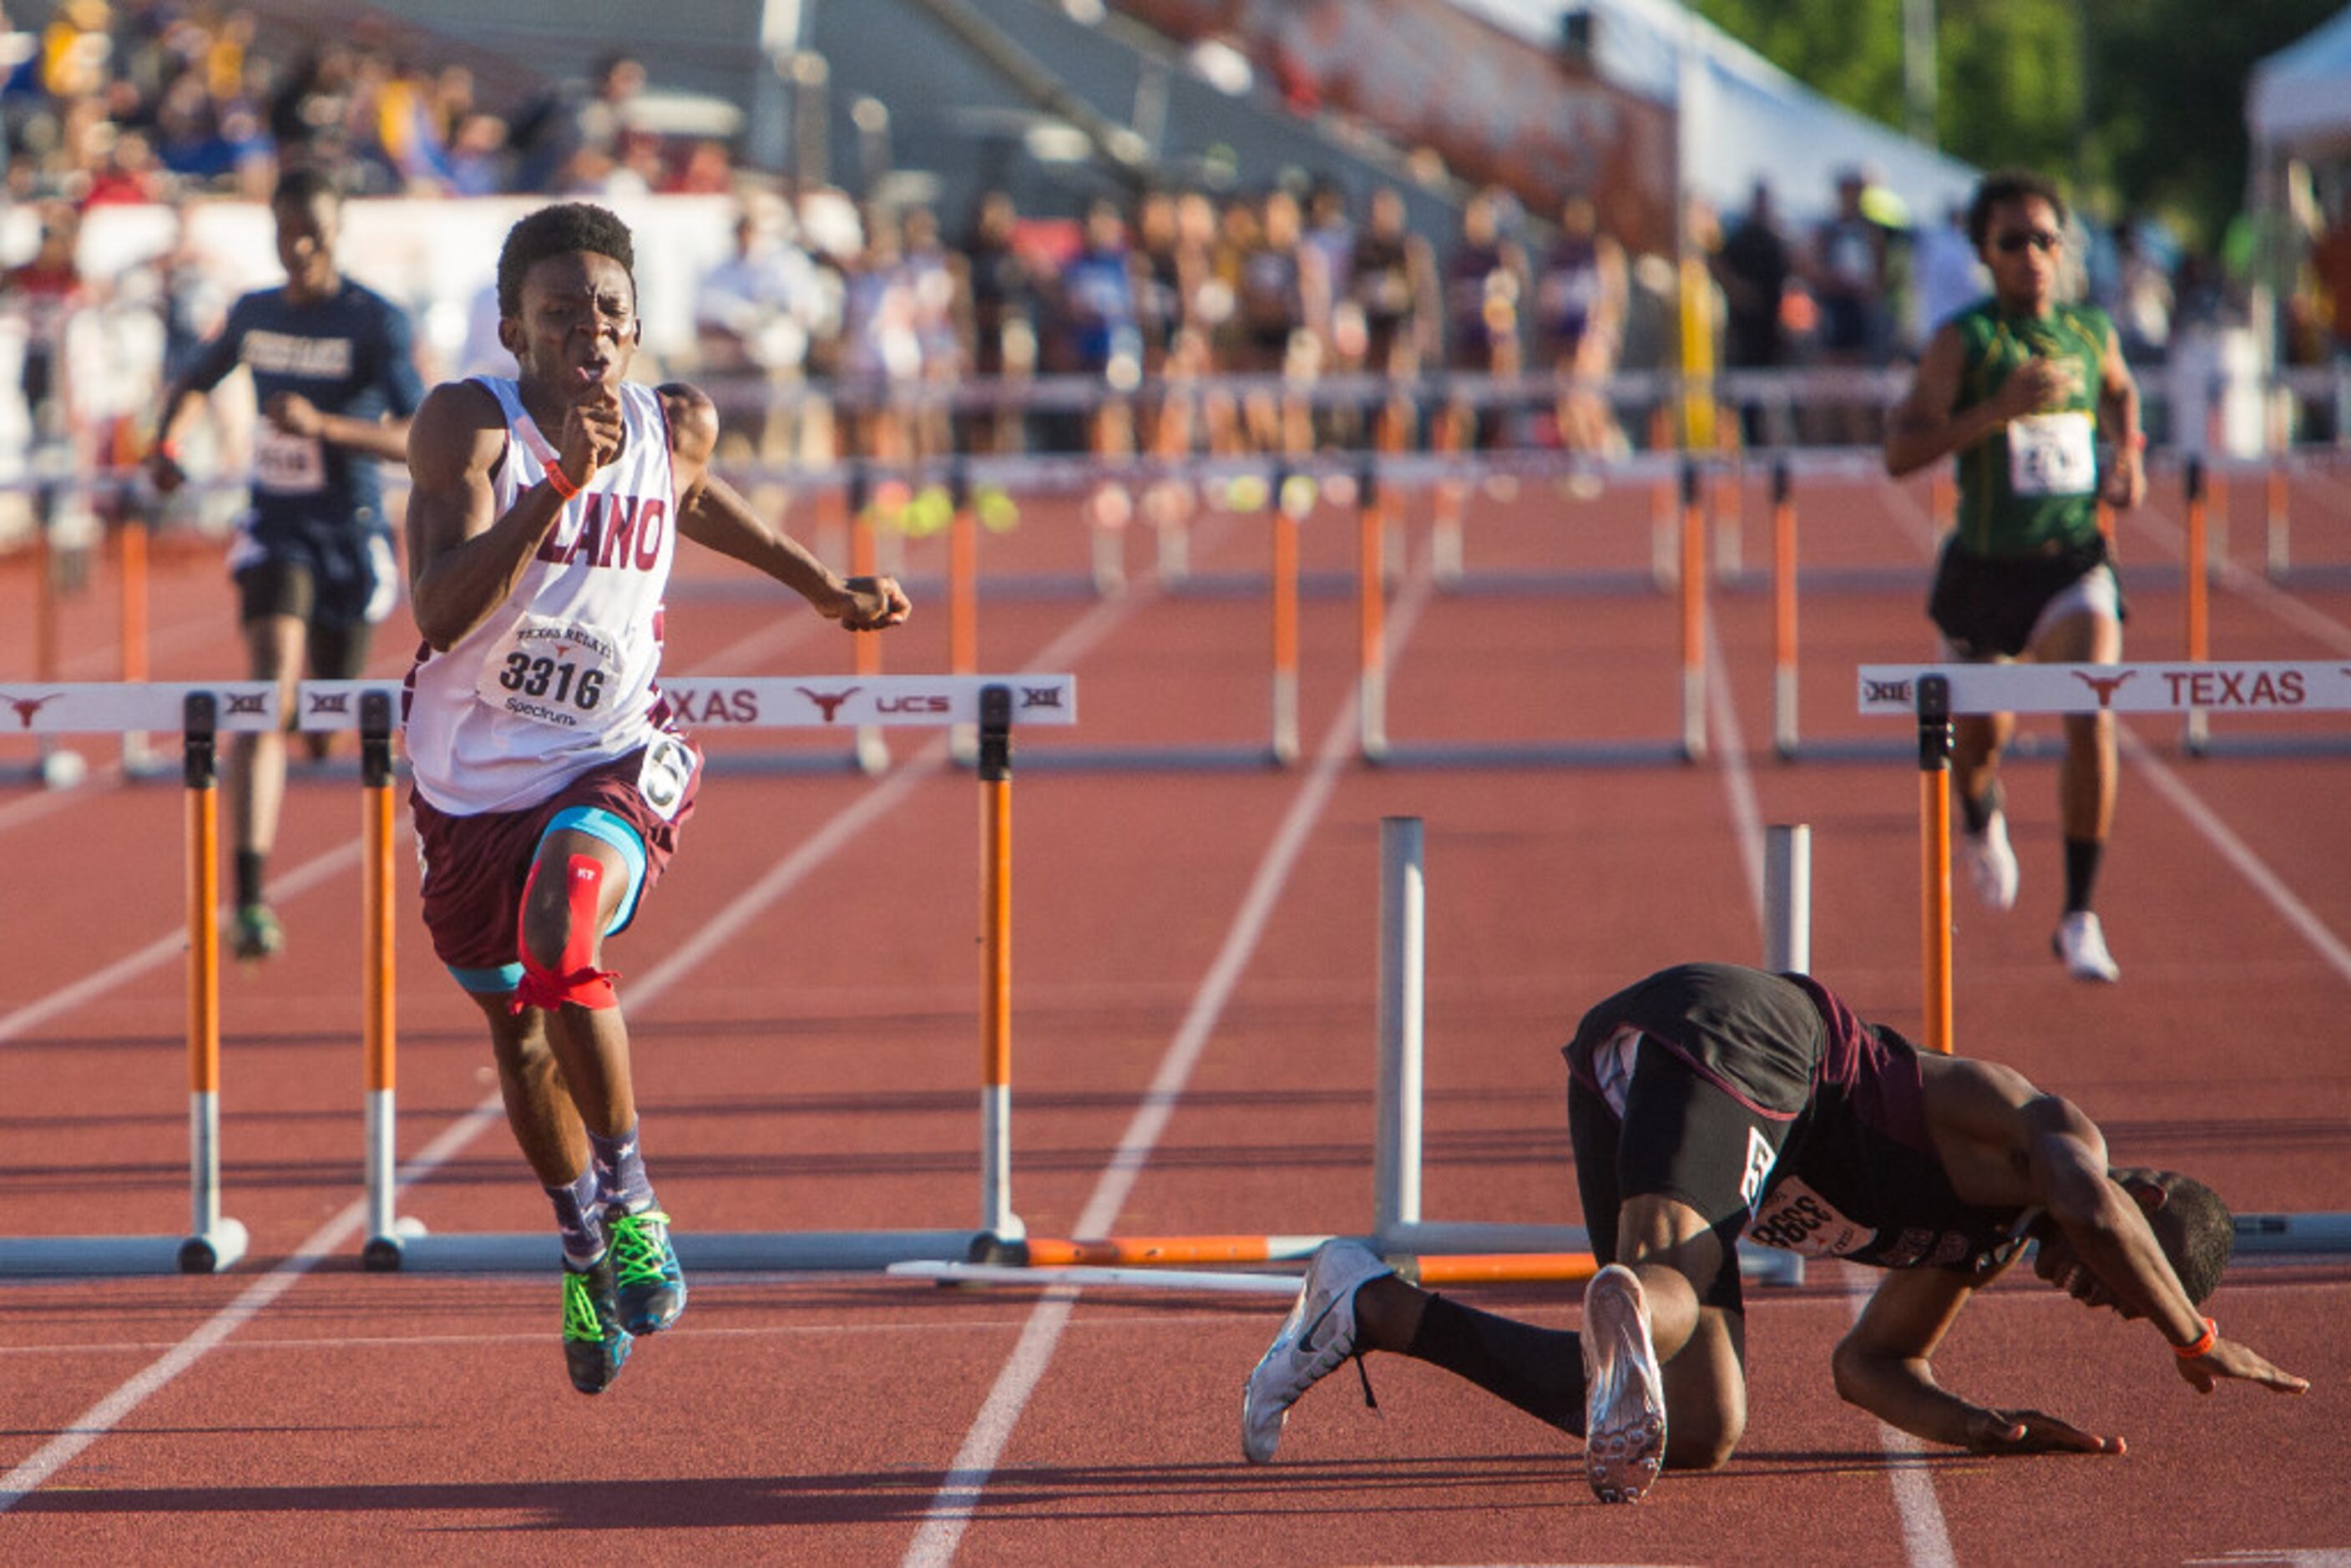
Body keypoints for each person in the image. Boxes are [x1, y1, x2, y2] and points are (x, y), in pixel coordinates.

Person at [400, 201, 910, 1393]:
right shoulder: (468, 425)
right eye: (564, 314)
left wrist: (824, 588)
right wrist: (554, 490)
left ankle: (633, 1207)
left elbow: (691, 496)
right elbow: (438, 612)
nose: (594, 334)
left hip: (610, 756)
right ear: (513, 328)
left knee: (560, 934)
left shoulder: (670, 419)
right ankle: (582, 1246)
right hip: (469, 782)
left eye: (613, 314)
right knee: (518, 1037)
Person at [1241, 962, 2307, 1503]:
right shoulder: (2045, 1136)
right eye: (2115, 1287)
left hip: (1642, 1088)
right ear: (2147, 1208)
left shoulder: (1975, 1246)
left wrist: (1983, 1427)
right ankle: (1635, 1301)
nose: (2090, 1297)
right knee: (1660, 1289)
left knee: (1696, 1428)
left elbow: (1871, 1365)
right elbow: (2092, 1209)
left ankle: (1370, 1303)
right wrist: (2192, 1336)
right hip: (1746, 1044)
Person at [150, 167, 422, 960]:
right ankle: (251, 897)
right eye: (287, 235)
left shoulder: (375, 321)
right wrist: (166, 446)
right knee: (267, 686)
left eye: (316, 235)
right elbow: (195, 379)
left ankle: (309, 718)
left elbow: (421, 432)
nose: (300, 249)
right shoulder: (255, 311)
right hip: (277, 526)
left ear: (338, 235)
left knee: (323, 728)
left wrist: (324, 428)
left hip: (354, 531)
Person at [1884, 169, 2145, 982]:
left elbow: (2120, 393)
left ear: (2063, 250)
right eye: (2011, 242)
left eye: (2044, 239)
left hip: (2070, 563)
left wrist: (2127, 457)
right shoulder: (1961, 343)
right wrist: (1993, 413)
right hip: (1984, 575)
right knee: (1978, 742)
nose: (2031, 256)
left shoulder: (2088, 331)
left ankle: (2077, 914)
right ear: (1982, 254)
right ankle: (1979, 812)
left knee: (2089, 706)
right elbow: (1898, 454)